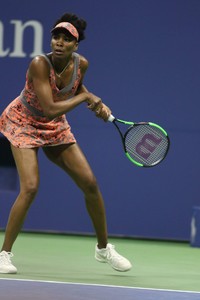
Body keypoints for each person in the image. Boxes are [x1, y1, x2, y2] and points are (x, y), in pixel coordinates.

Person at [0, 13, 132, 274]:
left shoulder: (80, 64)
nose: (59, 42)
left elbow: (76, 89)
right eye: (56, 37)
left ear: (75, 46)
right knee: (31, 187)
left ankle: (103, 249)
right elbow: (49, 107)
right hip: (23, 121)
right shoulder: (39, 64)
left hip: (54, 127)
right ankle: (4, 254)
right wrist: (87, 99)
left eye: (66, 39)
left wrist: (96, 102)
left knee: (90, 184)